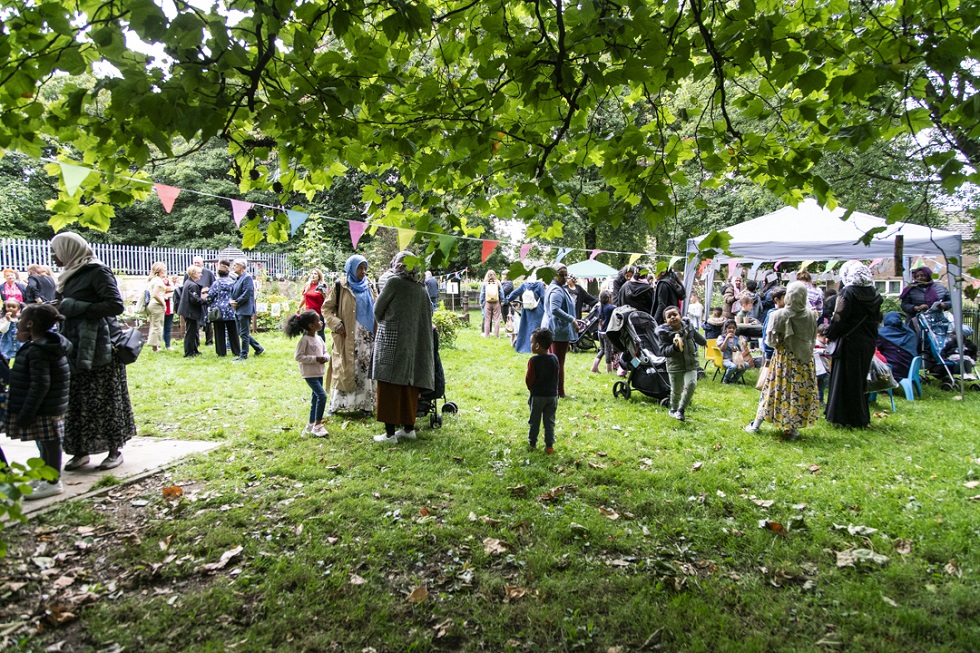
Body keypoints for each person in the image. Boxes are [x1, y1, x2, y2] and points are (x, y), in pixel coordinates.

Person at [51, 231, 135, 471]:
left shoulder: (97, 271)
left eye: (57, 251)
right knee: (77, 399)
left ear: (70, 249)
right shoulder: (68, 274)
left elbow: (115, 305)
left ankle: (113, 449)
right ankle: (80, 449)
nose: (54, 256)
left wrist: (72, 306)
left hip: (100, 346)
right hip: (73, 344)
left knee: (104, 398)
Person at [4, 304, 70, 500]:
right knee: (46, 442)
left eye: (21, 319)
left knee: (50, 443)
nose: (18, 323)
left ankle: (53, 481)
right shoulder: (46, 345)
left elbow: (40, 384)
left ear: (30, 324)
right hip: (48, 405)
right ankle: (45, 476)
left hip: (44, 407)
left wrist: (27, 412)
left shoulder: (39, 350)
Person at [370, 251, 434, 444]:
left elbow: (377, 310)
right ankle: (408, 428)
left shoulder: (394, 283)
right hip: (414, 344)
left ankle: (389, 434)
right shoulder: (420, 288)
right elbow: (428, 314)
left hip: (392, 341)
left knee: (389, 385)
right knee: (409, 386)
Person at [745, 282, 819, 439]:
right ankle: (792, 428)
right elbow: (812, 338)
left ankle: (756, 424)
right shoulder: (811, 315)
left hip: (784, 359)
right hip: (804, 360)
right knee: (798, 393)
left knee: (773, 390)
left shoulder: (778, 315)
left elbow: (770, 342)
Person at [825, 260, 883, 428]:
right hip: (867, 342)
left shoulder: (848, 292)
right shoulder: (874, 293)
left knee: (844, 380)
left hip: (849, 342)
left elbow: (839, 318)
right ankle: (860, 416)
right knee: (859, 380)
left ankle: (843, 416)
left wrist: (829, 332)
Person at [323, 255, 377, 416]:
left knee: (366, 370)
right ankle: (339, 405)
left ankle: (365, 406)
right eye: (360, 268)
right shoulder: (341, 286)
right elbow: (326, 309)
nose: (363, 271)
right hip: (347, 336)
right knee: (346, 370)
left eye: (364, 268)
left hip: (367, 338)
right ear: (351, 269)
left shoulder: (369, 285)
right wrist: (336, 324)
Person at [284, 310, 329, 437]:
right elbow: (298, 356)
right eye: (318, 321)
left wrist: (326, 358)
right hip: (309, 374)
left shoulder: (319, 338)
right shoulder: (305, 340)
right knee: (322, 396)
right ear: (311, 325)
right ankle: (318, 425)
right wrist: (315, 359)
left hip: (319, 372)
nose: (321, 322)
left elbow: (326, 352)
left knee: (315, 397)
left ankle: (311, 424)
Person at [657, 306, 707, 421]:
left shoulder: (688, 327)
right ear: (665, 321)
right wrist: (674, 347)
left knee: (691, 384)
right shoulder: (664, 334)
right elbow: (664, 351)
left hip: (691, 364)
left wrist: (704, 342)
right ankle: (673, 409)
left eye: (675, 314)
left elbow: (697, 336)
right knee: (676, 391)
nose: (673, 318)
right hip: (675, 366)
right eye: (669, 317)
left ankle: (681, 410)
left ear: (680, 316)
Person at [542, 264, 581, 398]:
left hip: (555, 329)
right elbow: (554, 309)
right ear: (554, 275)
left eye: (566, 274)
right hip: (558, 331)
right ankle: (560, 392)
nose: (565, 277)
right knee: (558, 363)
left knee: (554, 362)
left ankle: (552, 390)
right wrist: (572, 320)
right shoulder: (557, 291)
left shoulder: (555, 288)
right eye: (561, 275)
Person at [525, 327, 559, 453]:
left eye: (532, 343)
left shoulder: (533, 361)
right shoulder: (554, 358)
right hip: (552, 396)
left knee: (534, 421)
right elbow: (557, 376)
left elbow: (529, 379)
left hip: (538, 396)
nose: (531, 345)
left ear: (537, 346)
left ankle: (532, 443)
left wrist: (531, 389)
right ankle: (549, 446)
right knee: (549, 422)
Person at [230, 258, 265, 361]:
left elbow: (247, 293)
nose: (233, 266)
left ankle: (243, 355)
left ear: (242, 266)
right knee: (241, 332)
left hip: (244, 309)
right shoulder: (238, 278)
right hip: (238, 309)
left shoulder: (247, 278)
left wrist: (237, 302)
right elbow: (233, 292)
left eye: (236, 265)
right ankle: (258, 348)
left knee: (244, 333)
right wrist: (231, 301)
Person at [207, 260, 241, 358]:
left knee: (219, 332)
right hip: (231, 309)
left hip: (219, 311)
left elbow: (210, 297)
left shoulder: (216, 284)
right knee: (233, 332)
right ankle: (236, 350)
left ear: (218, 273)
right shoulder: (233, 283)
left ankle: (221, 352)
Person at [506, 277, 547, 354]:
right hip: (538, 309)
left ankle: (524, 347)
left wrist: (507, 299)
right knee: (537, 329)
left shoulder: (524, 285)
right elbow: (543, 297)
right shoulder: (539, 285)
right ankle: (537, 347)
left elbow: (515, 293)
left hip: (527, 309)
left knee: (526, 328)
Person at [177, 265, 207, 358]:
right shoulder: (192, 285)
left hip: (187, 311)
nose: (201, 275)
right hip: (191, 312)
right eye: (199, 273)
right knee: (190, 332)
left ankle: (194, 349)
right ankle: (188, 353)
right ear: (193, 274)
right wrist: (206, 300)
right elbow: (195, 300)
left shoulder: (188, 282)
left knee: (193, 331)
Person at [876, 311, 917, 380]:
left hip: (891, 371)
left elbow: (874, 349)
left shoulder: (882, 333)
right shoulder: (910, 333)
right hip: (909, 370)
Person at [191, 256, 216, 346]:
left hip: (206, 300)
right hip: (195, 301)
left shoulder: (208, 273)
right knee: (196, 322)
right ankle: (196, 341)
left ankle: (209, 341)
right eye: (195, 263)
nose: (197, 264)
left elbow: (214, 285)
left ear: (202, 263)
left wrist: (207, 292)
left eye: (198, 262)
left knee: (208, 321)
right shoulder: (189, 273)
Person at [145, 262, 169, 353]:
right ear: (159, 270)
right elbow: (155, 294)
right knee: (157, 326)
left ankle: (155, 346)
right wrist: (163, 303)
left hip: (152, 304)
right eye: (164, 268)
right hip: (156, 305)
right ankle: (155, 348)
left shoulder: (153, 279)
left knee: (154, 325)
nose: (165, 270)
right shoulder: (158, 280)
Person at [590, 290, 617, 374]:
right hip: (607, 333)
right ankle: (609, 369)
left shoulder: (599, 307)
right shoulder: (610, 308)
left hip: (600, 332)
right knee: (608, 351)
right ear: (608, 299)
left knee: (602, 350)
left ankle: (594, 366)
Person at [298, 269, 328, 339]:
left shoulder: (323, 286)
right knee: (306, 332)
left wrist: (322, 292)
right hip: (308, 313)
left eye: (315, 274)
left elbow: (327, 300)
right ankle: (306, 347)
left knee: (320, 332)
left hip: (319, 313)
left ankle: (321, 348)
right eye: (312, 274)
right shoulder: (307, 285)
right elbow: (304, 297)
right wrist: (299, 307)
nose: (313, 275)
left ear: (319, 276)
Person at [717, 319, 748, 384]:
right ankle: (726, 380)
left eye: (733, 328)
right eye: (729, 328)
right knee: (733, 366)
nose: (731, 329)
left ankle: (734, 379)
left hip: (735, 359)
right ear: (725, 329)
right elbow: (722, 349)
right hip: (725, 359)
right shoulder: (721, 337)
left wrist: (737, 349)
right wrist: (727, 338)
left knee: (746, 365)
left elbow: (740, 351)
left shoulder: (736, 338)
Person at [480, 270, 504, 337]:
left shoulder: (485, 283)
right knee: (497, 319)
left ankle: (486, 335)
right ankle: (496, 335)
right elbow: (501, 293)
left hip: (487, 302)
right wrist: (502, 301)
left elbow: (482, 293)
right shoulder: (498, 282)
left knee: (487, 319)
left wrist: (481, 302)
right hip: (496, 302)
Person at [814, 324, 832, 405]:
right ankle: (816, 401)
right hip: (817, 369)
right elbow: (813, 351)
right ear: (818, 335)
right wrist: (824, 351)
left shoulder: (828, 345)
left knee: (822, 387)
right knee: (816, 386)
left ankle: (820, 401)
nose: (827, 339)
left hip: (826, 368)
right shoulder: (815, 343)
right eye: (825, 337)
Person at [163, 274, 178, 350]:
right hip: (162, 309)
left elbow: (175, 294)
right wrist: (168, 295)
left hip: (170, 310)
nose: (165, 278)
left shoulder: (171, 284)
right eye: (163, 277)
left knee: (168, 328)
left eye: (166, 277)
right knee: (160, 328)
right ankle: (157, 346)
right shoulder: (159, 285)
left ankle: (167, 345)